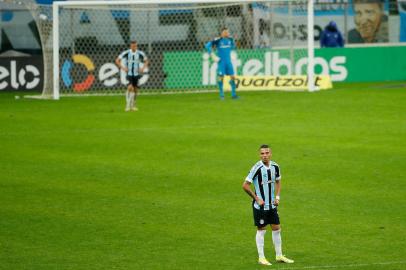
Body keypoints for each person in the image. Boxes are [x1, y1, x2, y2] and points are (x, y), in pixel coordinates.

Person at [242, 145, 294, 266]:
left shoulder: (275, 166)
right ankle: (261, 257)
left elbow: (278, 181)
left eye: (267, 153)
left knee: (277, 229)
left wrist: (277, 197)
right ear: (259, 155)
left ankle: (279, 255)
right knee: (262, 230)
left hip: (272, 205)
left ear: (271, 154)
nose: (264, 155)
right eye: (262, 153)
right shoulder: (257, 168)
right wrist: (256, 198)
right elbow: (245, 185)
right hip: (260, 207)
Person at [205, 27, 238, 100]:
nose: (227, 33)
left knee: (232, 77)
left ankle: (233, 95)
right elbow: (207, 45)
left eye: (227, 32)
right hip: (221, 62)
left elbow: (233, 47)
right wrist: (212, 54)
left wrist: (232, 52)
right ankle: (221, 94)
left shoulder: (230, 39)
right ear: (222, 33)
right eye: (225, 32)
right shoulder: (218, 40)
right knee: (221, 77)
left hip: (228, 62)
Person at [115, 41, 149, 111]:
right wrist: (123, 68)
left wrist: (142, 68)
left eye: (135, 46)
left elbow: (146, 61)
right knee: (131, 88)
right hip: (129, 74)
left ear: (136, 46)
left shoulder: (140, 53)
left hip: (136, 74)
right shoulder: (126, 52)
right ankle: (127, 105)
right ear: (130, 46)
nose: (134, 47)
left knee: (135, 90)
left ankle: (133, 105)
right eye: (133, 46)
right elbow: (117, 60)